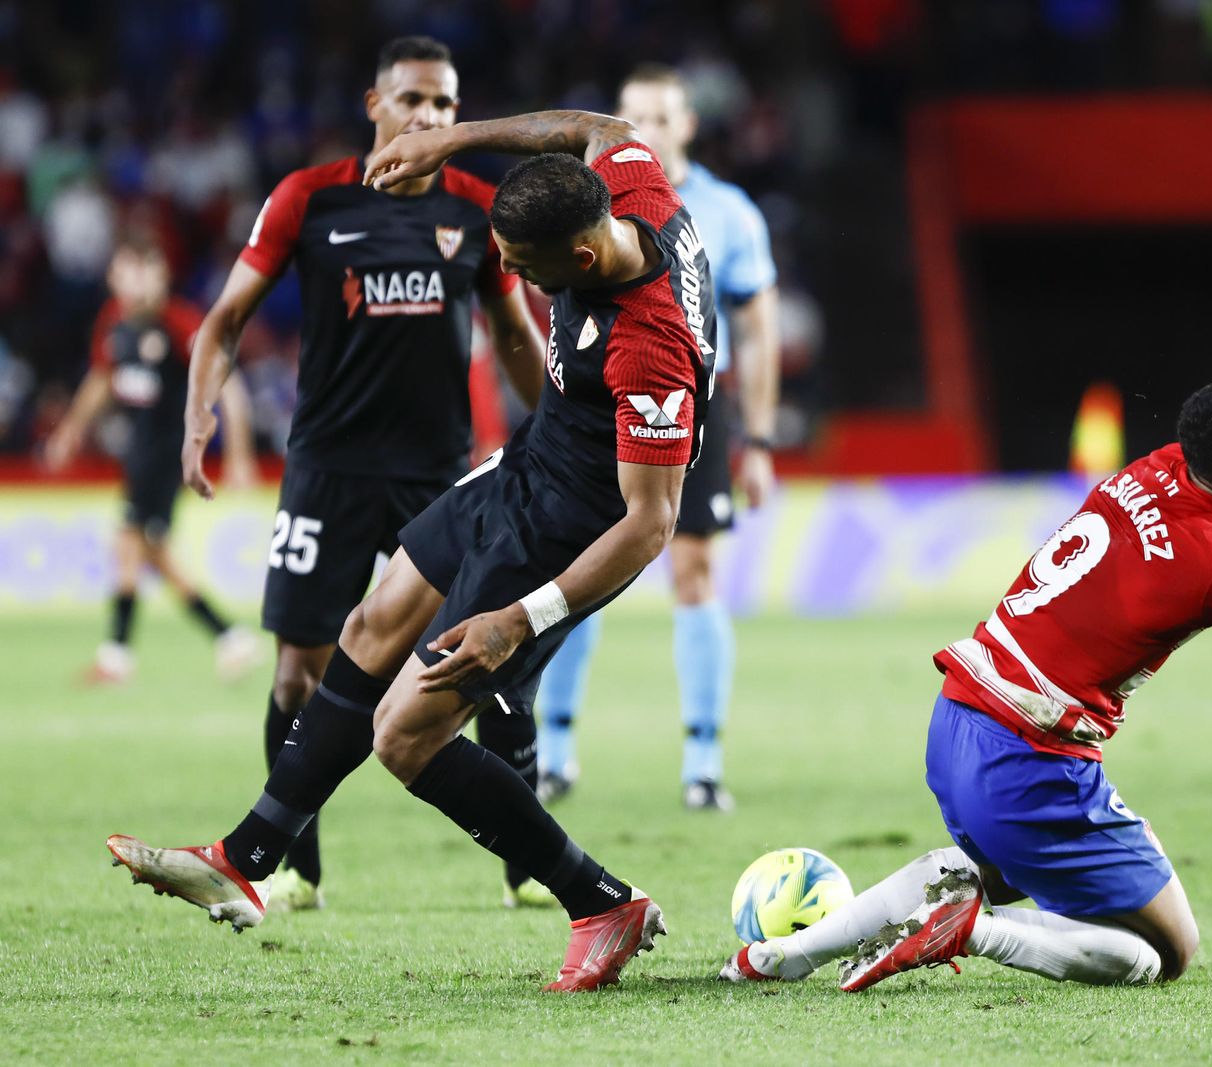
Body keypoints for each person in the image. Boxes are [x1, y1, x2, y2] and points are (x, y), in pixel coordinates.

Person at [108, 105, 716, 993]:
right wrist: (449, 140)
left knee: (405, 735)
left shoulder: (650, 346)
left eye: (520, 265)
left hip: (566, 532)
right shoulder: (632, 185)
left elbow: (649, 522)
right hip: (526, 469)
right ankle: (247, 856)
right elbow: (600, 123)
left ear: (581, 262)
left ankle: (599, 900)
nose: (503, 271)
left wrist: (522, 616)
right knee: (374, 616)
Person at [719, 376, 1212, 992]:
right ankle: (974, 930)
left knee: (991, 872)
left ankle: (778, 956)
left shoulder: (1164, 464)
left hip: (960, 718)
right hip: (1027, 758)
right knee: (1167, 947)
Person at [180, 36, 549, 912]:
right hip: (329, 472)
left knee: (490, 670)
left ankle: (525, 864)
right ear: (374, 104)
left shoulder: (476, 207)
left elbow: (512, 334)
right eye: (415, 100)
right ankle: (295, 868)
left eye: (446, 105)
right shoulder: (308, 199)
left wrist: (556, 432)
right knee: (297, 674)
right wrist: (200, 407)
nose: (431, 118)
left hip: (439, 479)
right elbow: (226, 318)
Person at [532, 64, 780, 811]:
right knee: (577, 572)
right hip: (592, 405)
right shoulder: (588, 201)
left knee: (694, 571)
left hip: (688, 401)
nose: (650, 130)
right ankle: (555, 752)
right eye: (633, 117)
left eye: (663, 116)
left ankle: (702, 762)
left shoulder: (730, 212)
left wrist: (760, 440)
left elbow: (759, 329)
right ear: (616, 123)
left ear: (688, 124)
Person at [45, 238, 261, 684]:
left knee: (130, 542)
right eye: (129, 272)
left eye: (147, 272)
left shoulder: (181, 324)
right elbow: (102, 379)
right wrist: (71, 429)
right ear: (113, 278)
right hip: (139, 452)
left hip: (168, 455)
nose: (138, 283)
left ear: (161, 278)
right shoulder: (113, 323)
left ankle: (118, 655)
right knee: (148, 551)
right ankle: (228, 638)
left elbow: (231, 385)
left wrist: (240, 454)